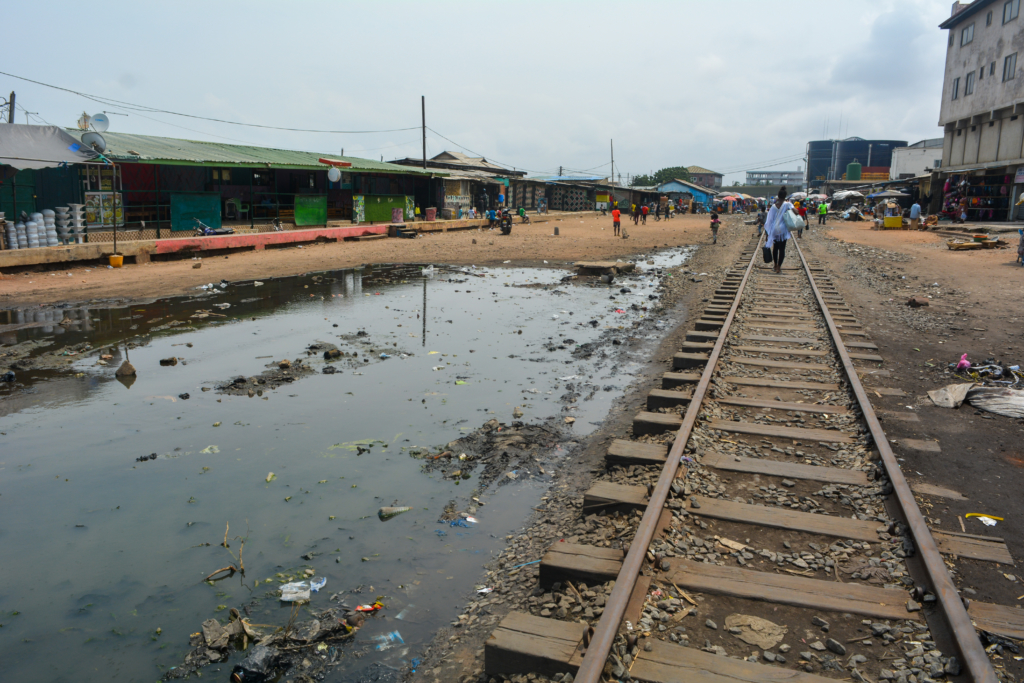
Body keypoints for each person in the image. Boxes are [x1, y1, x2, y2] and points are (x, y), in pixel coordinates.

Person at [764, 187, 794, 274]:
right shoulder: (787, 204)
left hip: (774, 231)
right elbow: (795, 212)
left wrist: (767, 233)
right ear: (785, 196)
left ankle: (775, 264)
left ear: (778, 196)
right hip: (783, 231)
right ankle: (779, 267)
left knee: (775, 248)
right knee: (782, 249)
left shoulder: (773, 207)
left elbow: (769, 221)